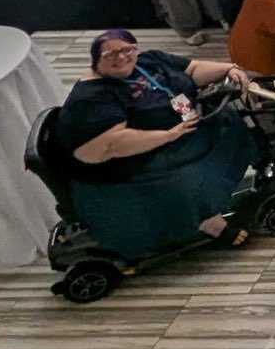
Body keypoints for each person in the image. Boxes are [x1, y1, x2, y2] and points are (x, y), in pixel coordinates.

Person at [57, 31, 261, 255]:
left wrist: (228, 69)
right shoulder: (92, 97)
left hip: (180, 129)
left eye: (127, 50)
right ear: (96, 59)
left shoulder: (149, 61)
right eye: (110, 54)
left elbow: (192, 70)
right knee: (186, 176)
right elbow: (109, 145)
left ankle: (248, 165)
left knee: (228, 119)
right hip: (131, 161)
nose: (121, 57)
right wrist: (168, 135)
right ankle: (207, 220)